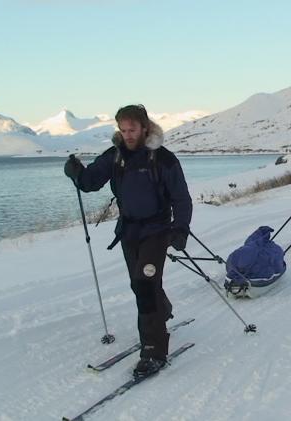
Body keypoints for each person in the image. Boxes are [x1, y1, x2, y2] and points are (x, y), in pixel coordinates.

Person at [64, 104, 192, 377]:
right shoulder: (115, 156)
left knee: (145, 286)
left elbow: (181, 198)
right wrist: (76, 172)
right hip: (129, 232)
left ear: (145, 127)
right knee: (141, 284)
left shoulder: (164, 159)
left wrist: (180, 230)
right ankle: (163, 309)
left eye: (132, 129)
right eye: (122, 130)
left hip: (157, 231)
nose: (127, 135)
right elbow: (90, 183)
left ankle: (153, 351)